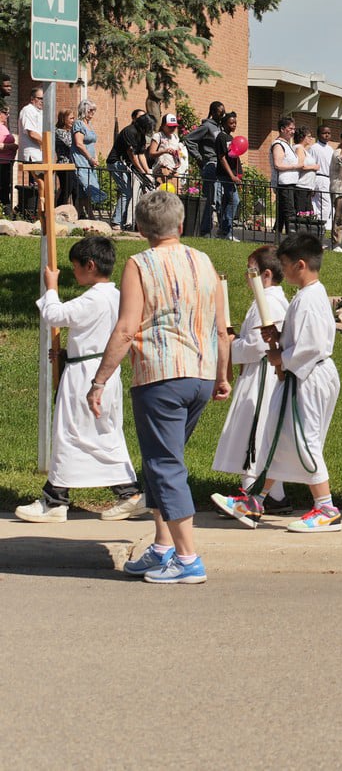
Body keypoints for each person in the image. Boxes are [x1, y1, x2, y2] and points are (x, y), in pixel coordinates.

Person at [88, 189, 232, 583]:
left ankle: (188, 559)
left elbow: (125, 328)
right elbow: (222, 330)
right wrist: (222, 375)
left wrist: (99, 380)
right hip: (200, 374)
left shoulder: (139, 264)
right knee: (162, 460)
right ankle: (163, 547)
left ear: (140, 228)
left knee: (165, 465)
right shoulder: (204, 261)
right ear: (181, 225)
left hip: (161, 375)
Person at [17, 236, 145, 524]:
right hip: (103, 370)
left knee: (72, 432)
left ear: (90, 265)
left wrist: (51, 287)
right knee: (100, 432)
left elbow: (56, 315)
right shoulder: (118, 296)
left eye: (75, 266)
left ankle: (56, 500)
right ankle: (122, 492)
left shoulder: (94, 298)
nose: (73, 271)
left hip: (86, 375)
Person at [256, 232, 342, 533]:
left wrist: (282, 356)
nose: (282, 269)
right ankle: (256, 497)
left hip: (309, 375)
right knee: (281, 436)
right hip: (306, 373)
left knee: (305, 439)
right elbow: (303, 340)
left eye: (285, 263)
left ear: (300, 265)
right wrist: (280, 339)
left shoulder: (308, 299)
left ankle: (326, 507)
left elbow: (311, 345)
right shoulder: (308, 296)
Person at [208, 246, 295, 526]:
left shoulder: (267, 303)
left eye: (250, 271)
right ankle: (276, 496)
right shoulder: (271, 300)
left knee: (254, 432)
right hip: (260, 373)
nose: (246, 278)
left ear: (265, 275)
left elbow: (260, 345)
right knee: (258, 432)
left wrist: (233, 347)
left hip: (263, 376)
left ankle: (250, 494)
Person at [190, 101, 225, 237]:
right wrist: (199, 158)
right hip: (210, 164)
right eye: (220, 112)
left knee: (220, 198)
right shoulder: (206, 126)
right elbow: (189, 140)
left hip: (220, 166)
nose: (222, 114)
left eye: (223, 111)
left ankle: (220, 230)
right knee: (210, 198)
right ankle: (204, 230)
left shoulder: (220, 127)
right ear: (213, 112)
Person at [70, 99, 104, 217]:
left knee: (86, 188)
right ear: (84, 110)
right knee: (86, 185)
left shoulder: (89, 125)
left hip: (90, 160)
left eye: (93, 111)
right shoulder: (78, 124)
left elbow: (91, 144)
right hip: (81, 159)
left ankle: (83, 214)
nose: (92, 113)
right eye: (90, 111)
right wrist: (90, 158)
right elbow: (79, 143)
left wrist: (94, 158)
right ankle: (87, 214)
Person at [211, 111, 243, 240]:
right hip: (225, 175)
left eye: (235, 123)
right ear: (224, 123)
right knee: (234, 200)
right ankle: (227, 231)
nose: (234, 125)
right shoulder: (221, 137)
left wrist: (239, 172)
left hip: (233, 174)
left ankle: (222, 230)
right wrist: (231, 175)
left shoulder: (231, 138)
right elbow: (222, 158)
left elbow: (234, 156)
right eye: (231, 123)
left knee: (227, 202)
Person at [16, 87, 45, 218]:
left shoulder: (39, 112)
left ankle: (40, 212)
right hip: (33, 154)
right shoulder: (28, 110)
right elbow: (32, 133)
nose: (42, 101)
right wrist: (47, 144)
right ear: (32, 99)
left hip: (40, 153)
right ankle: (34, 214)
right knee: (38, 185)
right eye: (40, 99)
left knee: (41, 185)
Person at [269, 116, 299, 236]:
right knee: (288, 211)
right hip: (284, 183)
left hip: (290, 182)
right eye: (290, 128)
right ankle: (291, 237)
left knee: (283, 212)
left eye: (294, 129)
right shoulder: (278, 144)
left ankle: (277, 236)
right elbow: (278, 165)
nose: (293, 131)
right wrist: (296, 166)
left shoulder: (287, 145)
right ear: (282, 129)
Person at [310, 124, 335, 233]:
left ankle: (321, 225)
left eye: (328, 133)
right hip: (319, 177)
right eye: (324, 133)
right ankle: (320, 226)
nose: (327, 135)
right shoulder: (314, 148)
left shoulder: (330, 149)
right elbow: (311, 164)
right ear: (318, 134)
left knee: (326, 204)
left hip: (329, 178)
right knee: (322, 204)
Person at [148, 113, 184, 185]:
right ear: (163, 125)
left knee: (175, 193)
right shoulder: (158, 136)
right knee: (163, 193)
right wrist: (164, 151)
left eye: (174, 126)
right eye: (170, 126)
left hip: (174, 169)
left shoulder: (175, 137)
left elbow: (177, 152)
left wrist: (178, 160)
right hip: (162, 168)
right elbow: (151, 153)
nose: (173, 128)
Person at [293, 128, 319, 222]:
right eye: (308, 136)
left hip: (307, 186)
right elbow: (301, 166)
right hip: (301, 185)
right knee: (301, 213)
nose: (311, 139)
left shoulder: (304, 149)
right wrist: (313, 167)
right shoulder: (299, 148)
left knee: (308, 213)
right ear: (302, 137)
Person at [0, 105, 16, 216]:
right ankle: (5, 213)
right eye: (5, 113)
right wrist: (12, 146)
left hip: (7, 163)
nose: (8, 115)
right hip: (1, 162)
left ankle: (6, 212)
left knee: (6, 188)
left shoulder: (4, 127)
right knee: (3, 189)